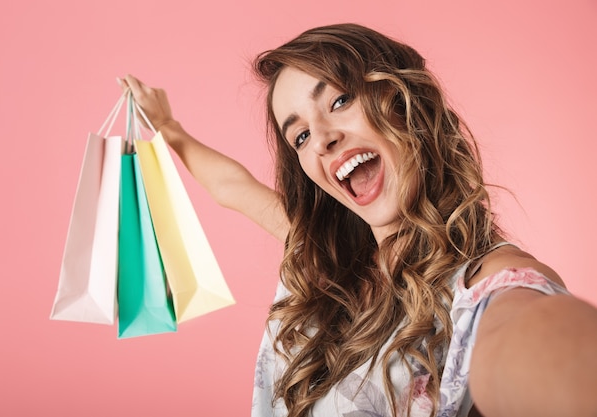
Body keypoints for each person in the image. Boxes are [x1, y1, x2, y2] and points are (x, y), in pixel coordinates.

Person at [120, 23, 597, 417]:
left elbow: (540, 346)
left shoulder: (486, 288)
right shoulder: (326, 262)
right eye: (300, 135)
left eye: (340, 101)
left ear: (403, 99)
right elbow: (232, 189)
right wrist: (167, 126)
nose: (322, 138)